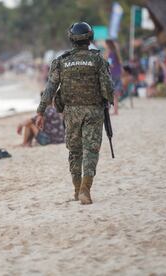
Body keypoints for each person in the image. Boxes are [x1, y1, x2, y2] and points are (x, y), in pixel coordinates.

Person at [35, 22, 114, 205]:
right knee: (91, 150)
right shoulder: (98, 60)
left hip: (70, 113)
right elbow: (108, 88)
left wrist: (41, 112)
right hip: (94, 111)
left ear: (71, 39)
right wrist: (108, 101)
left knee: (75, 151)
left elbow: (50, 89)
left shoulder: (61, 61)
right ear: (90, 37)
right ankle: (86, 189)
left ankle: (77, 189)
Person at [105, 39, 122, 115]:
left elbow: (110, 64)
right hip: (118, 74)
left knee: (109, 93)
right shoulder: (116, 52)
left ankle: (108, 110)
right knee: (116, 94)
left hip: (112, 74)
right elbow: (120, 64)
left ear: (108, 45)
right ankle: (116, 111)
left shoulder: (111, 53)